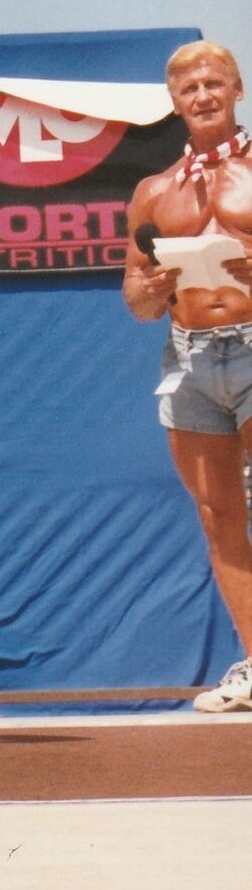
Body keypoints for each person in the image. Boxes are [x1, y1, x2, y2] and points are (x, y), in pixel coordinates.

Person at [123, 39, 252, 713]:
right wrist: (157, 282)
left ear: (234, 89)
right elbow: (137, 301)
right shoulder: (151, 192)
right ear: (173, 102)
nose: (200, 97)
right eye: (187, 89)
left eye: (211, 84)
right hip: (190, 356)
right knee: (218, 514)